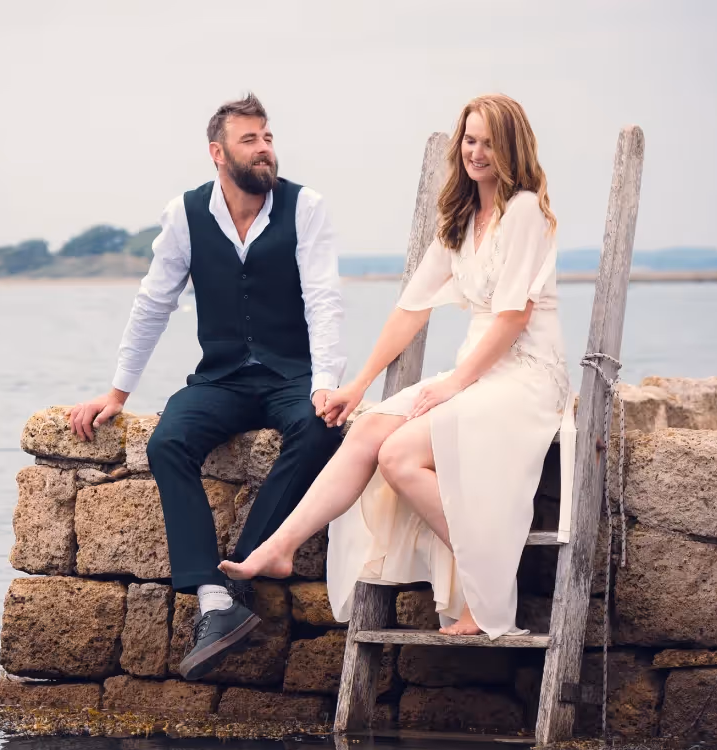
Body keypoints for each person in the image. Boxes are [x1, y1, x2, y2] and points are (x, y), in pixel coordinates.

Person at [221, 94, 574, 639]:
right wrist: (357, 385)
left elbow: (511, 317)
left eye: (488, 142)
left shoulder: (524, 210)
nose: (476, 152)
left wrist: (456, 384)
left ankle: (487, 592)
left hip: (525, 375)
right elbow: (410, 310)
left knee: (400, 455)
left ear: (511, 147)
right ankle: (279, 548)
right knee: (366, 431)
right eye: (470, 140)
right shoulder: (460, 218)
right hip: (476, 372)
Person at [69, 93, 346, 678]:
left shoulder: (306, 206)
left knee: (321, 430)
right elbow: (153, 302)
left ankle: (244, 566)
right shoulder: (186, 214)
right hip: (221, 376)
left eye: (268, 137)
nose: (265, 148)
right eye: (250, 140)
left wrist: (326, 384)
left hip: (291, 374)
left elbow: (324, 299)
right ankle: (217, 602)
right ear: (218, 153)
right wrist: (117, 393)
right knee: (168, 440)